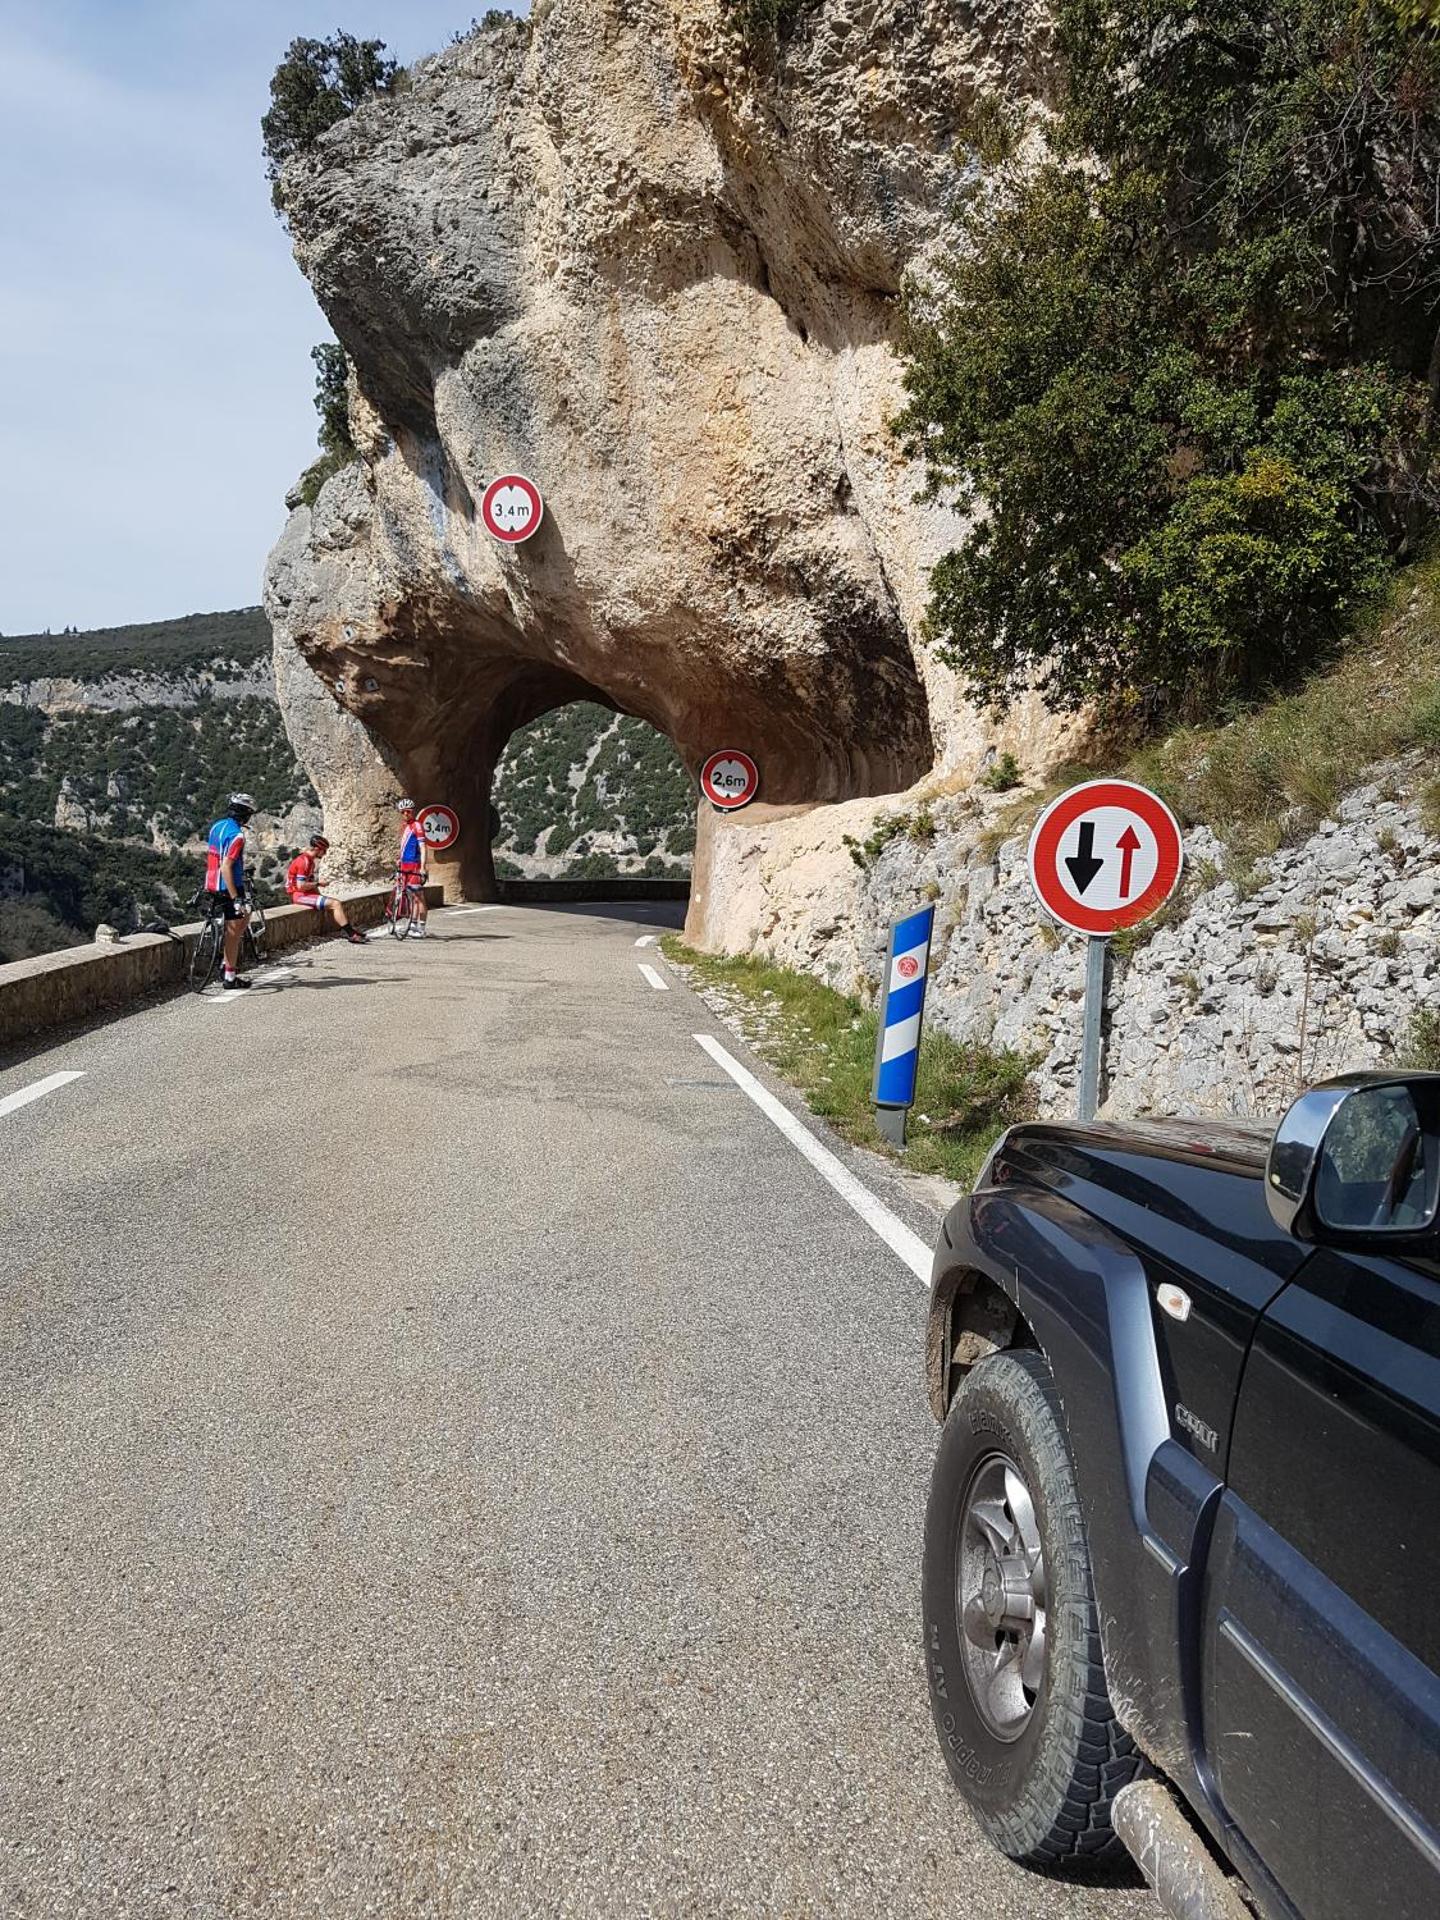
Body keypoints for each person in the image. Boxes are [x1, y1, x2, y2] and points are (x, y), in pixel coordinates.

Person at [203, 791, 255, 990]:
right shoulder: (237, 836)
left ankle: (226, 961)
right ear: (245, 815)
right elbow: (226, 867)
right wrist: (235, 898)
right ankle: (230, 976)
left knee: (245, 916)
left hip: (211, 881)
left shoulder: (217, 826)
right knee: (233, 933)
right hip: (228, 885)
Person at [285, 834, 366, 944]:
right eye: (324, 850)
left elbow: (309, 883)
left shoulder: (310, 861)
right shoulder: (304, 862)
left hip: (303, 893)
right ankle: (351, 934)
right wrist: (319, 883)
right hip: (299, 895)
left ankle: (350, 931)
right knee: (335, 904)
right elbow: (301, 886)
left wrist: (320, 895)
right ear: (317, 849)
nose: (325, 854)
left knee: (332, 902)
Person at [396, 798, 431, 936]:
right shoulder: (404, 826)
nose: (406, 814)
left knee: (419, 897)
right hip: (404, 865)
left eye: (408, 811)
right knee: (411, 896)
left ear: (412, 812)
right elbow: (403, 846)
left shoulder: (417, 826)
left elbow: (423, 847)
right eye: (403, 812)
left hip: (415, 865)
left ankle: (421, 928)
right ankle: (412, 925)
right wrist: (399, 859)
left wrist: (423, 867)